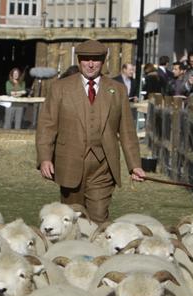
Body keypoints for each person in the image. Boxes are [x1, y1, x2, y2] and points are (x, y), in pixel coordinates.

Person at [36, 39, 146, 223]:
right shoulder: (60, 88)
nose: (90, 63)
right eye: (86, 59)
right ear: (78, 60)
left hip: (103, 168)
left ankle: (97, 250)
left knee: (98, 218)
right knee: (71, 219)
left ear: (103, 61)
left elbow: (127, 131)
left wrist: (134, 165)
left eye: (95, 59)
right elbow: (47, 126)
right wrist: (45, 158)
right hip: (70, 163)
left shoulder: (117, 90)